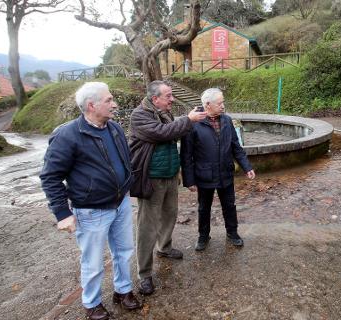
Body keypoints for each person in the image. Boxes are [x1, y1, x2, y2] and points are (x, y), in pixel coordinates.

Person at [39, 82, 141, 320]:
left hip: (121, 204)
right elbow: (50, 176)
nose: (114, 104)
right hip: (91, 210)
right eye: (109, 100)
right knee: (93, 262)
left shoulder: (113, 127)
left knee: (124, 251)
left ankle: (123, 290)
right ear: (91, 105)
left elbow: (124, 160)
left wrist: (126, 185)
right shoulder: (67, 135)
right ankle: (92, 303)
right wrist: (62, 214)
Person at [129, 80, 207, 295]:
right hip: (151, 177)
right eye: (168, 96)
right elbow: (161, 133)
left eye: (172, 95)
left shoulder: (165, 112)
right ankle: (144, 273)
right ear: (155, 99)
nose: (172, 99)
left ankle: (164, 247)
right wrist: (188, 120)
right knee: (147, 226)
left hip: (170, 175)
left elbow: (173, 134)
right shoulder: (140, 115)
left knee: (170, 214)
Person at [180, 88, 256, 251]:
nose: (223, 106)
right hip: (204, 174)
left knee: (229, 205)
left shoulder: (227, 121)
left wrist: (247, 167)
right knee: (203, 207)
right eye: (220, 103)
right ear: (208, 105)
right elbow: (186, 155)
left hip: (225, 172)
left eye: (223, 102)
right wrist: (189, 180)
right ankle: (203, 235)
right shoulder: (193, 123)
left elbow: (236, 146)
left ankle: (232, 232)